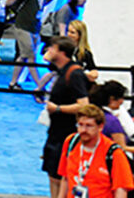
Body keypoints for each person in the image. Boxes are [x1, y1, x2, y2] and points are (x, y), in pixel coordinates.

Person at [43, 36, 91, 198]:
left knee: (60, 177)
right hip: (56, 133)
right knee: (53, 174)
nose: (49, 50)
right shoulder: (62, 71)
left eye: (53, 48)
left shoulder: (74, 73)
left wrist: (58, 109)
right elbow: (46, 59)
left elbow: (84, 105)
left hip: (66, 135)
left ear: (62, 52)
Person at [56, 104, 134, 198]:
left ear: (100, 127)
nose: (83, 130)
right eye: (80, 125)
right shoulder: (71, 142)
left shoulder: (114, 153)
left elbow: (121, 190)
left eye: (89, 126)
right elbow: (65, 178)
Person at [8, 0, 52, 89]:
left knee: (23, 56)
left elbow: (40, 4)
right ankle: (39, 86)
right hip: (23, 26)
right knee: (31, 57)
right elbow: (8, 2)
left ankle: (13, 82)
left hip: (35, 26)